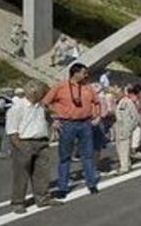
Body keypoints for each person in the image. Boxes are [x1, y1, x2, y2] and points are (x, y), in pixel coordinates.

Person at [42, 62, 99, 198]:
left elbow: (96, 102)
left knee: (87, 155)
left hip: (85, 123)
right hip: (67, 123)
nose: (86, 75)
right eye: (84, 73)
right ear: (76, 73)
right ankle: (63, 187)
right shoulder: (60, 86)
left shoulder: (88, 87)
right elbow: (45, 103)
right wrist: (53, 119)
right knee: (65, 157)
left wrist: (96, 116)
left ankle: (91, 184)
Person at [6, 80, 63, 214]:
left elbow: (49, 115)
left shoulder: (41, 106)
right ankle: (18, 202)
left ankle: (42, 198)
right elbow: (12, 132)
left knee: (42, 173)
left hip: (42, 142)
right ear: (35, 93)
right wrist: (20, 147)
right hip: (24, 142)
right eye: (44, 93)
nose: (46, 96)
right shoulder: (17, 107)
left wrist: (53, 122)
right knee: (21, 174)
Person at [114, 85, 141, 175]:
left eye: (117, 93)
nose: (116, 95)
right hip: (119, 127)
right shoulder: (118, 102)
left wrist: (130, 128)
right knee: (121, 147)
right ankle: (127, 164)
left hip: (124, 128)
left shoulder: (126, 102)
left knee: (123, 148)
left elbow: (135, 117)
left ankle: (124, 167)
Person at [0, 88, 14, 156]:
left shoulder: (9, 100)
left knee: (7, 137)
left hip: (6, 120)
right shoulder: (3, 99)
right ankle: (4, 153)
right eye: (10, 91)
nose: (12, 93)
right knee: (5, 137)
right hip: (3, 121)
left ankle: (8, 152)